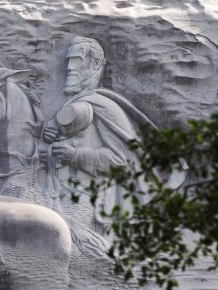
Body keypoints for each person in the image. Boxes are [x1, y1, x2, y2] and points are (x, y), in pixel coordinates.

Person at [41, 36, 154, 225]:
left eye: (77, 60)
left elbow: (122, 162)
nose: (69, 68)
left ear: (95, 65)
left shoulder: (105, 107)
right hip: (55, 195)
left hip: (87, 202)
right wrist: (48, 136)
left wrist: (76, 156)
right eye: (69, 61)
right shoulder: (72, 105)